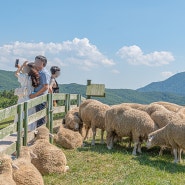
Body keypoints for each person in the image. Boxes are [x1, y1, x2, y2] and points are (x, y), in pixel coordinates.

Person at [14, 61, 39, 131]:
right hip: (31, 97)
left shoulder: (25, 77)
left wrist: (22, 65)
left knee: (21, 113)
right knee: (30, 114)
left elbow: (16, 73)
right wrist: (21, 67)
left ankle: (21, 130)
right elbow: (25, 72)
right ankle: (30, 130)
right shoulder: (35, 77)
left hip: (23, 97)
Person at [29, 55, 50, 127]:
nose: (35, 62)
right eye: (35, 61)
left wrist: (35, 95)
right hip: (38, 97)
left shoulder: (44, 73)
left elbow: (46, 87)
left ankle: (41, 135)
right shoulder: (39, 71)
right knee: (38, 117)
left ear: (43, 63)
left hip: (41, 98)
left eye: (38, 61)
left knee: (40, 118)